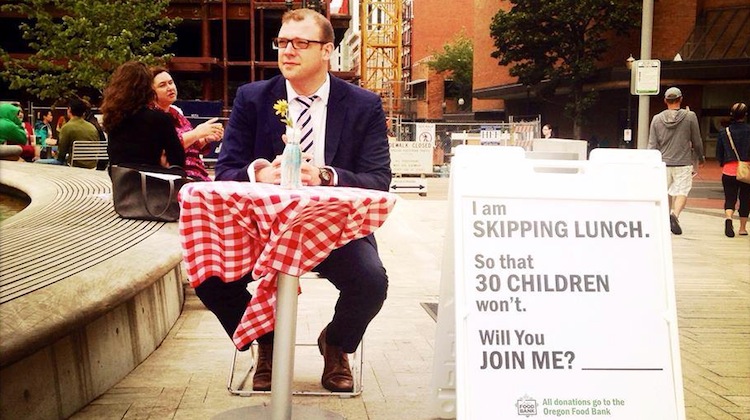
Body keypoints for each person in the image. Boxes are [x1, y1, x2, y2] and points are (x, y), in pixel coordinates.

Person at [205, 8, 391, 393]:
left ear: (327, 51)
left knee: (371, 282)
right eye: (283, 42)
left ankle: (336, 344)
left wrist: (326, 177)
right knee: (209, 278)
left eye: (301, 43)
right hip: (262, 230)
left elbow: (378, 180)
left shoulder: (362, 105)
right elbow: (225, 172)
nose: (288, 51)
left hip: (332, 230)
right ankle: (266, 338)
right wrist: (260, 173)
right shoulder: (253, 98)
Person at [101, 61, 185, 169]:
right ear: (148, 89)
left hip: (121, 181)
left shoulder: (113, 119)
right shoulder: (161, 119)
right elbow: (178, 160)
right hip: (151, 181)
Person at [648, 87, 705, 235]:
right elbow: (696, 140)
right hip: (683, 162)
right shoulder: (690, 116)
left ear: (665, 101)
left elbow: (652, 145)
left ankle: (665, 219)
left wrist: (650, 163)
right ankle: (675, 215)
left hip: (662, 163)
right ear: (680, 99)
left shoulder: (656, 119)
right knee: (682, 191)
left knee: (664, 191)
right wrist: (700, 156)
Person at [151, 66, 223, 181]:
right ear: (151, 92)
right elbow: (166, 149)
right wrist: (197, 133)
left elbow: (190, 145)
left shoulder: (177, 113)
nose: (170, 88)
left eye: (171, 83)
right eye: (162, 85)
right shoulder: (151, 116)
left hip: (198, 173)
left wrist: (205, 139)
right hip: (179, 176)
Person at [715, 102, 750, 237]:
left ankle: (729, 219)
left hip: (729, 170)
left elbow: (719, 153)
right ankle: (742, 228)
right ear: (745, 115)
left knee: (730, 198)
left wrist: (723, 163)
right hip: (746, 169)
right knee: (745, 199)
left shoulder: (725, 132)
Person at [36, 97, 99, 167]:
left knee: (37, 162)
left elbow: (61, 155)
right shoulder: (92, 127)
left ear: (69, 110)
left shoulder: (67, 127)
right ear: (84, 113)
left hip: (74, 164)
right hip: (92, 165)